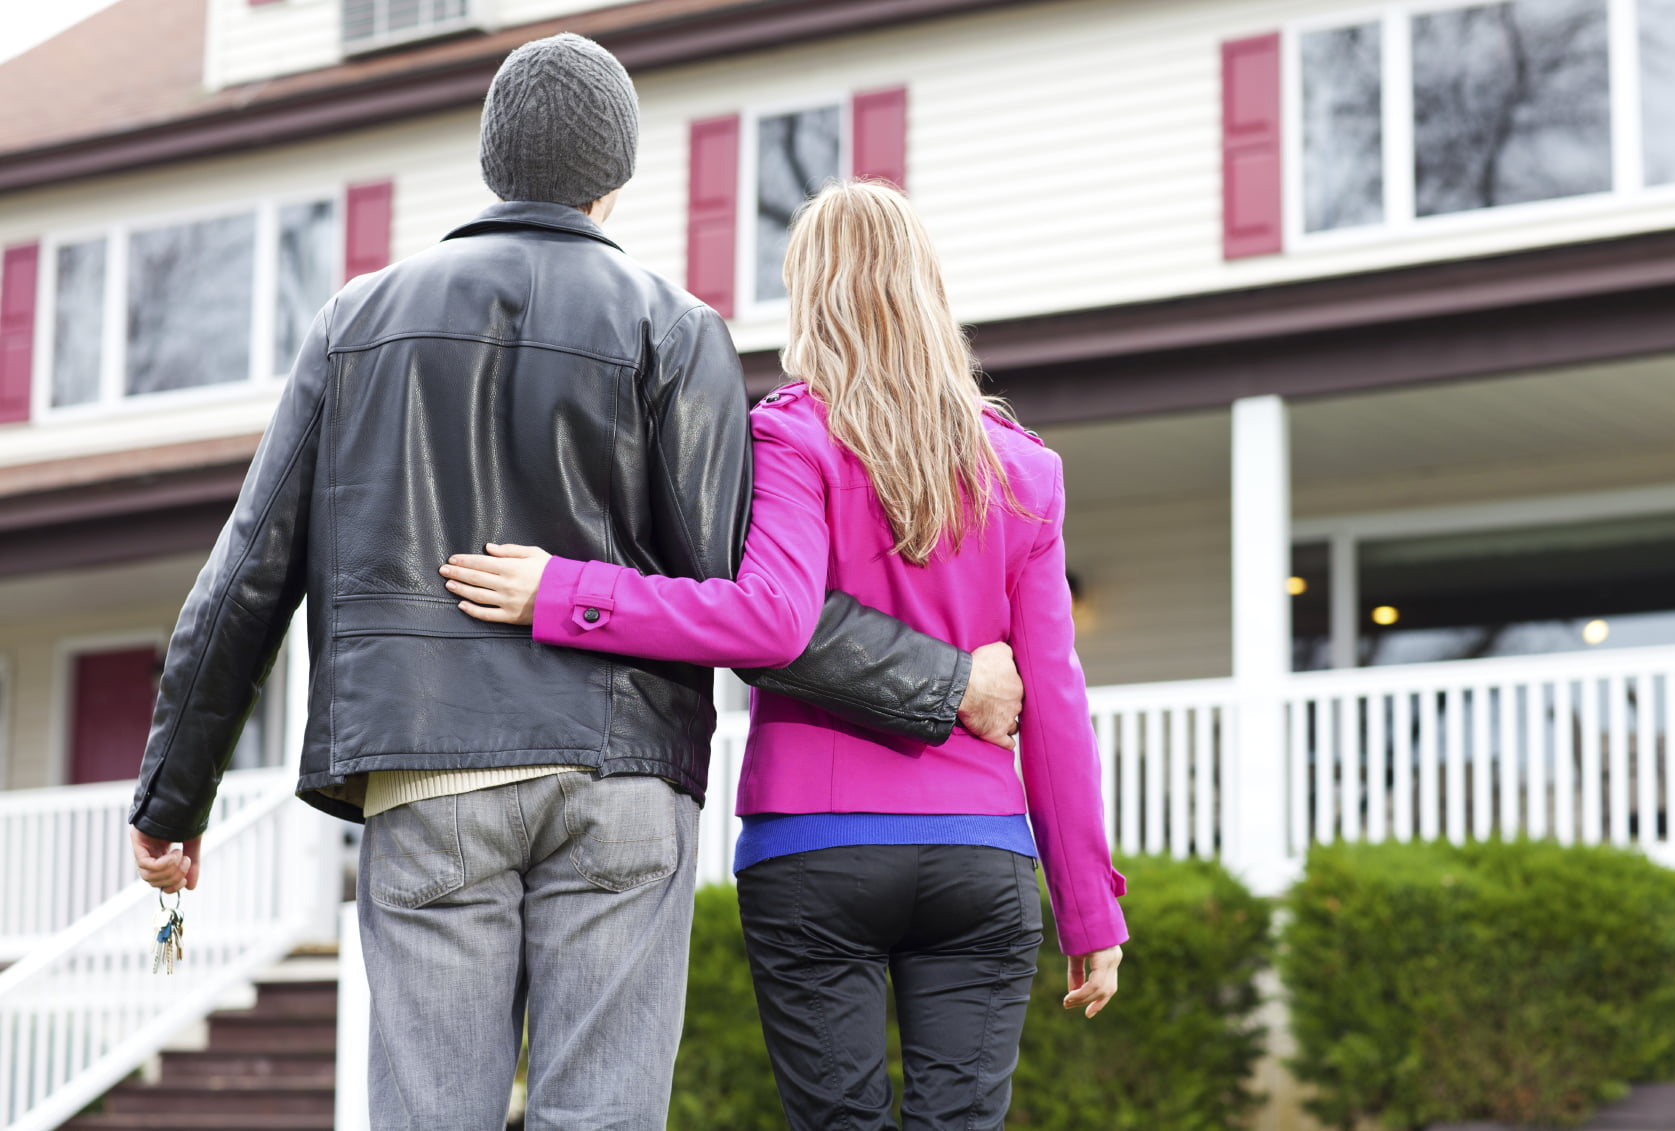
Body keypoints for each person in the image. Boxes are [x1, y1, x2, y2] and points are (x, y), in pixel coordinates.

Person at [127, 34, 1024, 1131]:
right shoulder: (677, 327)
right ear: (619, 175)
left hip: (427, 767)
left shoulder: (356, 323)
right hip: (624, 774)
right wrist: (947, 684)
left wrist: (174, 796)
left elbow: (245, 575)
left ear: (494, 162)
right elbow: (747, 599)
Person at [442, 179, 1129, 1131]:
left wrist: (564, 590)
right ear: (929, 292)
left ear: (812, 298)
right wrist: (1090, 911)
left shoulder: (791, 435)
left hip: (815, 846)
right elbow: (1054, 700)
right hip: (981, 853)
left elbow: (768, 620)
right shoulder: (1021, 469)